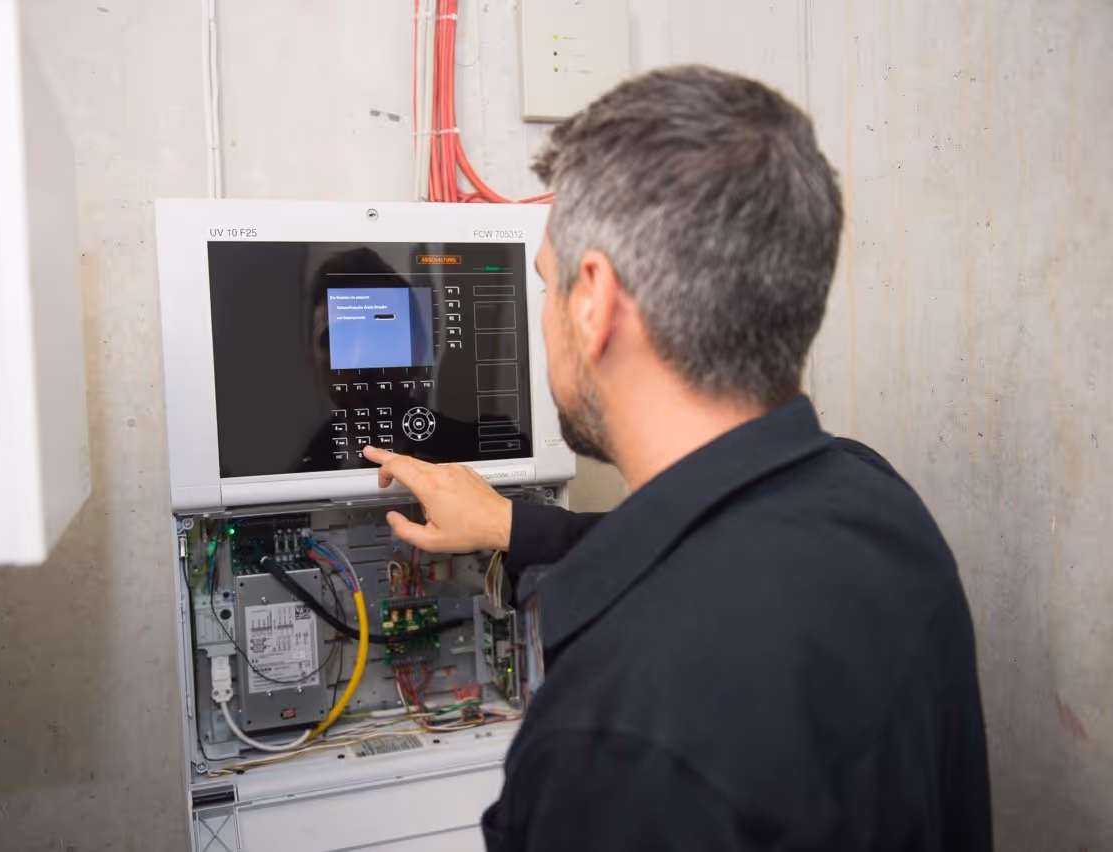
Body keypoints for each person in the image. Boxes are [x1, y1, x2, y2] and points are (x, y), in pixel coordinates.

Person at [362, 65, 992, 851]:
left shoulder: (616, 734)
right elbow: (711, 548)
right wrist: (506, 525)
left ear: (593, 302)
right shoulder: (877, 502)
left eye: (548, 286)